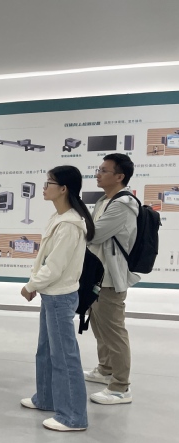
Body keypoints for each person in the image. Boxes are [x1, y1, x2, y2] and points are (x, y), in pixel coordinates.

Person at [20, 166, 93, 431]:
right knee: (46, 351)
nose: (44, 187)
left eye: (49, 182)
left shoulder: (70, 225)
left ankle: (73, 416)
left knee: (64, 357)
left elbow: (55, 267)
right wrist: (37, 284)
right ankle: (47, 398)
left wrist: (31, 285)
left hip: (60, 296)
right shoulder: (59, 218)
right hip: (51, 294)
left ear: (63, 189)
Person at [84, 153, 139, 404]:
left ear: (119, 176)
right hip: (97, 274)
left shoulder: (122, 204)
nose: (98, 174)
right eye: (99, 169)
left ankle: (120, 387)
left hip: (110, 277)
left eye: (104, 170)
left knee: (114, 331)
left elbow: (93, 234)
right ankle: (105, 370)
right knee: (99, 325)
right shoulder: (104, 201)